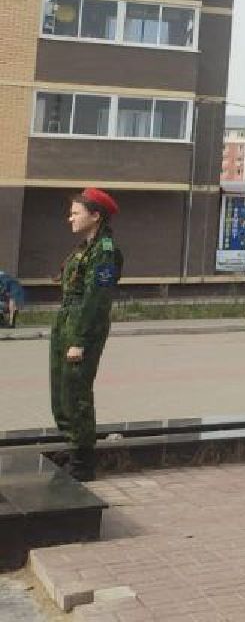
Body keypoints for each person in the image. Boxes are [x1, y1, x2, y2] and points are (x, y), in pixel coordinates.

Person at [50, 187, 123, 482]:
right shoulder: (85, 247)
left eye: (75, 213)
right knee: (61, 389)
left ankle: (83, 459)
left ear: (95, 216)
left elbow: (97, 299)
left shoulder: (105, 252)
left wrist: (79, 341)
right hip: (67, 320)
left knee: (76, 391)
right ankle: (73, 444)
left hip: (84, 324)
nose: (70, 218)